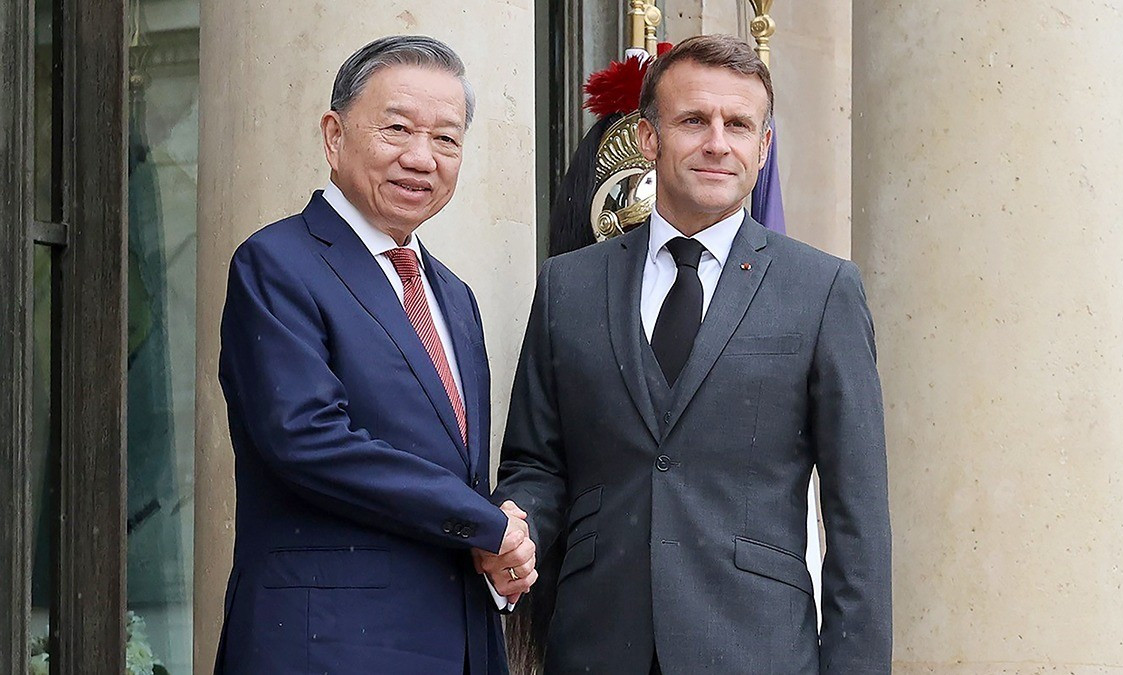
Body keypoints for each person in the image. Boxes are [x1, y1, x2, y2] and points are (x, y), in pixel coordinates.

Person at [493, 34, 892, 674]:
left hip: (757, 650)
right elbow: (536, 465)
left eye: (739, 125)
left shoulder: (823, 291)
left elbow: (858, 518)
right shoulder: (567, 286)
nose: (716, 143)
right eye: (693, 121)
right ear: (649, 140)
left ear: (764, 148)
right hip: (596, 647)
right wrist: (516, 529)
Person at [214, 35, 535, 674]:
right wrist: (483, 523)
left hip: (456, 642)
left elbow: (455, 467)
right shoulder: (277, 263)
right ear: (334, 136)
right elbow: (306, 438)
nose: (422, 158)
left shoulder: (452, 294)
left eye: (446, 138)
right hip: (327, 645)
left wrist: (499, 544)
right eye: (396, 129)